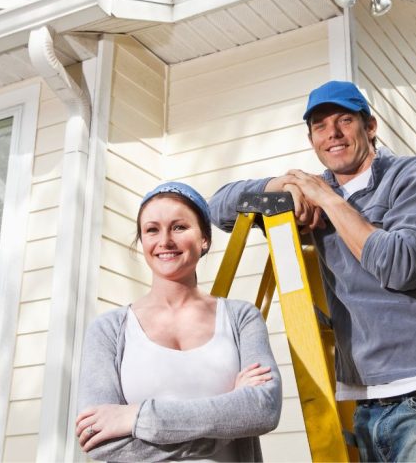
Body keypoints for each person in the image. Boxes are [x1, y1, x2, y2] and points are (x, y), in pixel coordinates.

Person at [209, 81, 416, 462]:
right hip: (367, 403)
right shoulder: (318, 191)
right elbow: (217, 209)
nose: (332, 134)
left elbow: (401, 265)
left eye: (344, 120)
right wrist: (284, 185)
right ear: (311, 139)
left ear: (370, 127)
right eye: (320, 126)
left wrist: (328, 200)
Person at [75, 181, 282, 462]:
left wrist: (137, 416)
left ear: (204, 239)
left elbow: (263, 410)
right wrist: (229, 419)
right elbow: (97, 438)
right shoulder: (109, 329)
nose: (165, 241)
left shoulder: (241, 318)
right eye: (152, 230)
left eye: (179, 227)